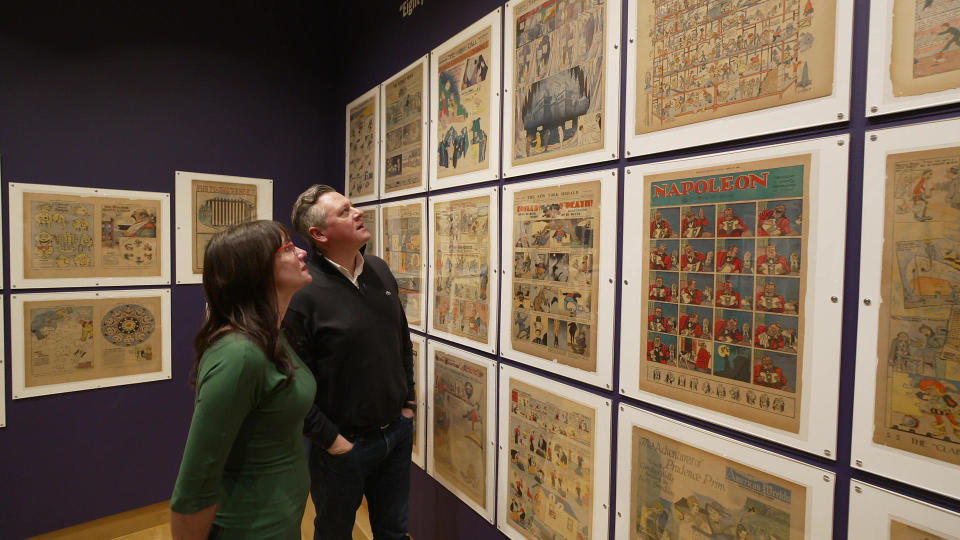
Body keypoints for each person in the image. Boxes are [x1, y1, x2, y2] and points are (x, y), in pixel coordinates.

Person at [285, 185, 415, 540]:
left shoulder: (379, 269)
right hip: (342, 448)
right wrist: (332, 441)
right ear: (319, 234)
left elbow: (400, 340)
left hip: (396, 434)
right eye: (343, 212)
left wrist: (409, 405)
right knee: (334, 532)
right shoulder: (302, 293)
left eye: (352, 206)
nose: (357, 212)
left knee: (394, 530)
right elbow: (291, 382)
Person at [171, 220, 316, 539]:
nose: (303, 253)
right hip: (248, 528)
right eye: (289, 248)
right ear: (256, 269)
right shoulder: (238, 355)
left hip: (280, 521)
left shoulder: (272, 335)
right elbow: (195, 485)